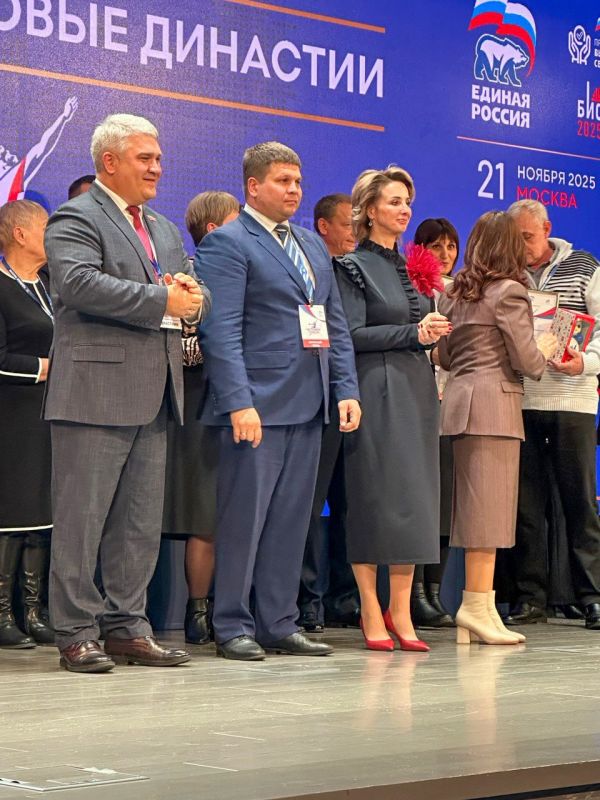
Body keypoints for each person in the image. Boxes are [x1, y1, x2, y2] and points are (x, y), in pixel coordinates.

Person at [43, 113, 210, 673]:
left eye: (159, 158)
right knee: (81, 521)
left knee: (138, 524)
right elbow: (77, 283)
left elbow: (189, 284)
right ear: (109, 161)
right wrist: (162, 300)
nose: (157, 167)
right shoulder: (76, 216)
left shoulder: (161, 227)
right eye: (145, 158)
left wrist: (193, 296)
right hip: (93, 391)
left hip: (155, 391)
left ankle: (127, 627)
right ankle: (75, 631)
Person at [195, 141, 361, 661]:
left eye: (298, 181)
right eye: (283, 181)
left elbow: (333, 324)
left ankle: (278, 621)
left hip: (309, 403)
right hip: (257, 406)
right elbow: (220, 330)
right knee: (244, 521)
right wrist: (237, 402)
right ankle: (231, 624)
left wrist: (345, 388)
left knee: (293, 520)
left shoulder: (311, 244)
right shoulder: (228, 243)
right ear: (254, 186)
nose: (294, 190)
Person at [335, 167, 450, 652]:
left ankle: (400, 610)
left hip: (417, 389)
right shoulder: (351, 266)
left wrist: (434, 334)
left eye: (407, 201)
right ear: (369, 210)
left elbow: (421, 329)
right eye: (394, 201)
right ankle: (369, 606)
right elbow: (351, 335)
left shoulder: (414, 267)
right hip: (375, 388)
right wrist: (413, 334)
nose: (404, 210)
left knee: (415, 502)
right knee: (374, 497)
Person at [437, 211, 557, 645]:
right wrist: (546, 350)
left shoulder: (454, 293)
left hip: (461, 404)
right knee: (487, 512)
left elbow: (445, 356)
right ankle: (474, 605)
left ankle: (482, 605)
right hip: (494, 407)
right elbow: (526, 360)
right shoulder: (510, 292)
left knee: (477, 509)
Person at [505, 199, 600, 630]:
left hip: (572, 401)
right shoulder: (505, 272)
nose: (520, 245)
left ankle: (591, 597)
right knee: (526, 507)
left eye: (527, 236)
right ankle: (530, 599)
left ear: (547, 229)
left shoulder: (584, 266)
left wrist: (586, 363)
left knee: (580, 504)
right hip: (522, 401)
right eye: (514, 238)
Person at [162, 190, 240, 644]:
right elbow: (186, 350)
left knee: (228, 512)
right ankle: (197, 611)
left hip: (239, 405)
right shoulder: (189, 277)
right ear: (212, 230)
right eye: (236, 220)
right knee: (202, 513)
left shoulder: (245, 272)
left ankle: (232, 606)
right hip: (197, 406)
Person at [298, 193, 360, 633]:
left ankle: (343, 598)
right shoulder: (307, 262)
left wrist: (346, 389)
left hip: (344, 398)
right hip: (303, 397)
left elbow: (338, 332)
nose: (354, 233)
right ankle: (307, 601)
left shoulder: (354, 272)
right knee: (304, 505)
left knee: (348, 505)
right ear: (323, 227)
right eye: (347, 224)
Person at [0, 200, 54, 648]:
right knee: (12, 510)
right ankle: (2, 613)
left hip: (51, 414)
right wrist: (45, 368)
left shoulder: (51, 285)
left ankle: (33, 611)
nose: (52, 236)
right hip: (12, 415)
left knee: (42, 511)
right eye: (45, 228)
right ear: (19, 234)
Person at [411, 217, 461, 629]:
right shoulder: (412, 289)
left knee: (445, 503)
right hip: (415, 403)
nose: (445, 255)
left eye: (451, 246)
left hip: (453, 404)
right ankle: (413, 594)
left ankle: (435, 592)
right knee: (419, 501)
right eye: (436, 247)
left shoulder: (460, 290)